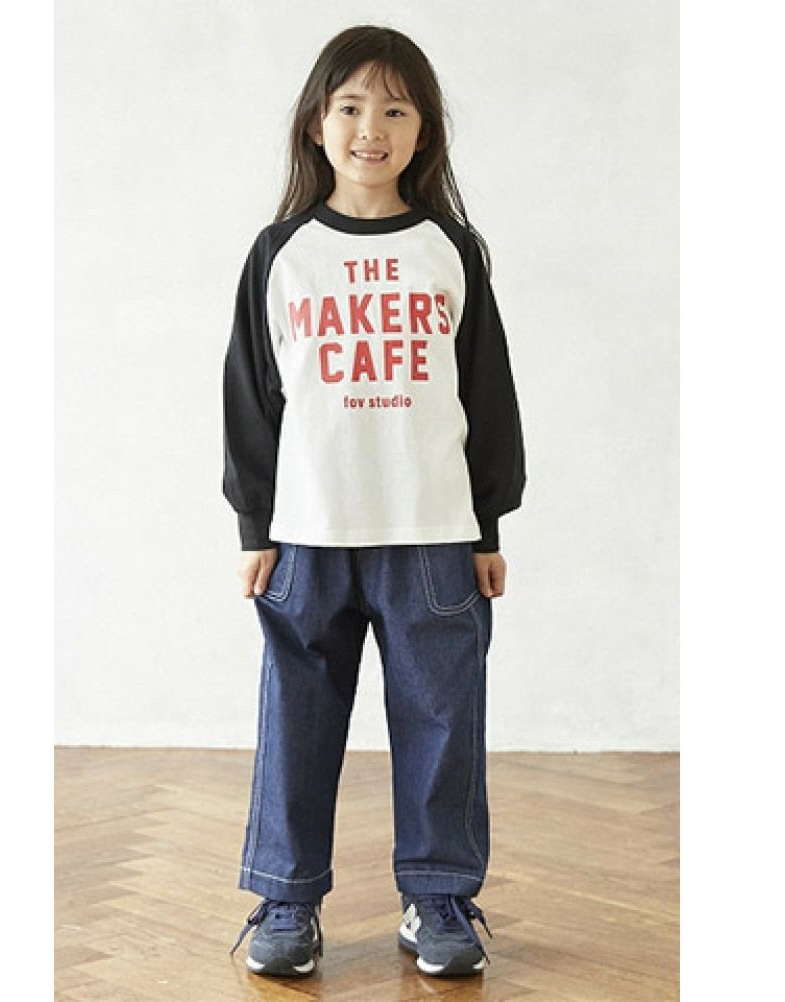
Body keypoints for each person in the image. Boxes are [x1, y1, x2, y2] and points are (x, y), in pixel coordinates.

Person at [222, 24, 526, 979]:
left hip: (433, 534)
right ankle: (286, 898)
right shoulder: (283, 252)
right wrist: (254, 526)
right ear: (316, 123)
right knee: (297, 719)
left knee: (442, 718)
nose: (371, 128)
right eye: (351, 106)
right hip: (308, 535)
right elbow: (251, 400)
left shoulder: (449, 250)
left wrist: (488, 524)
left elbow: (487, 396)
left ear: (424, 129)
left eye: (396, 109)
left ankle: (438, 895)